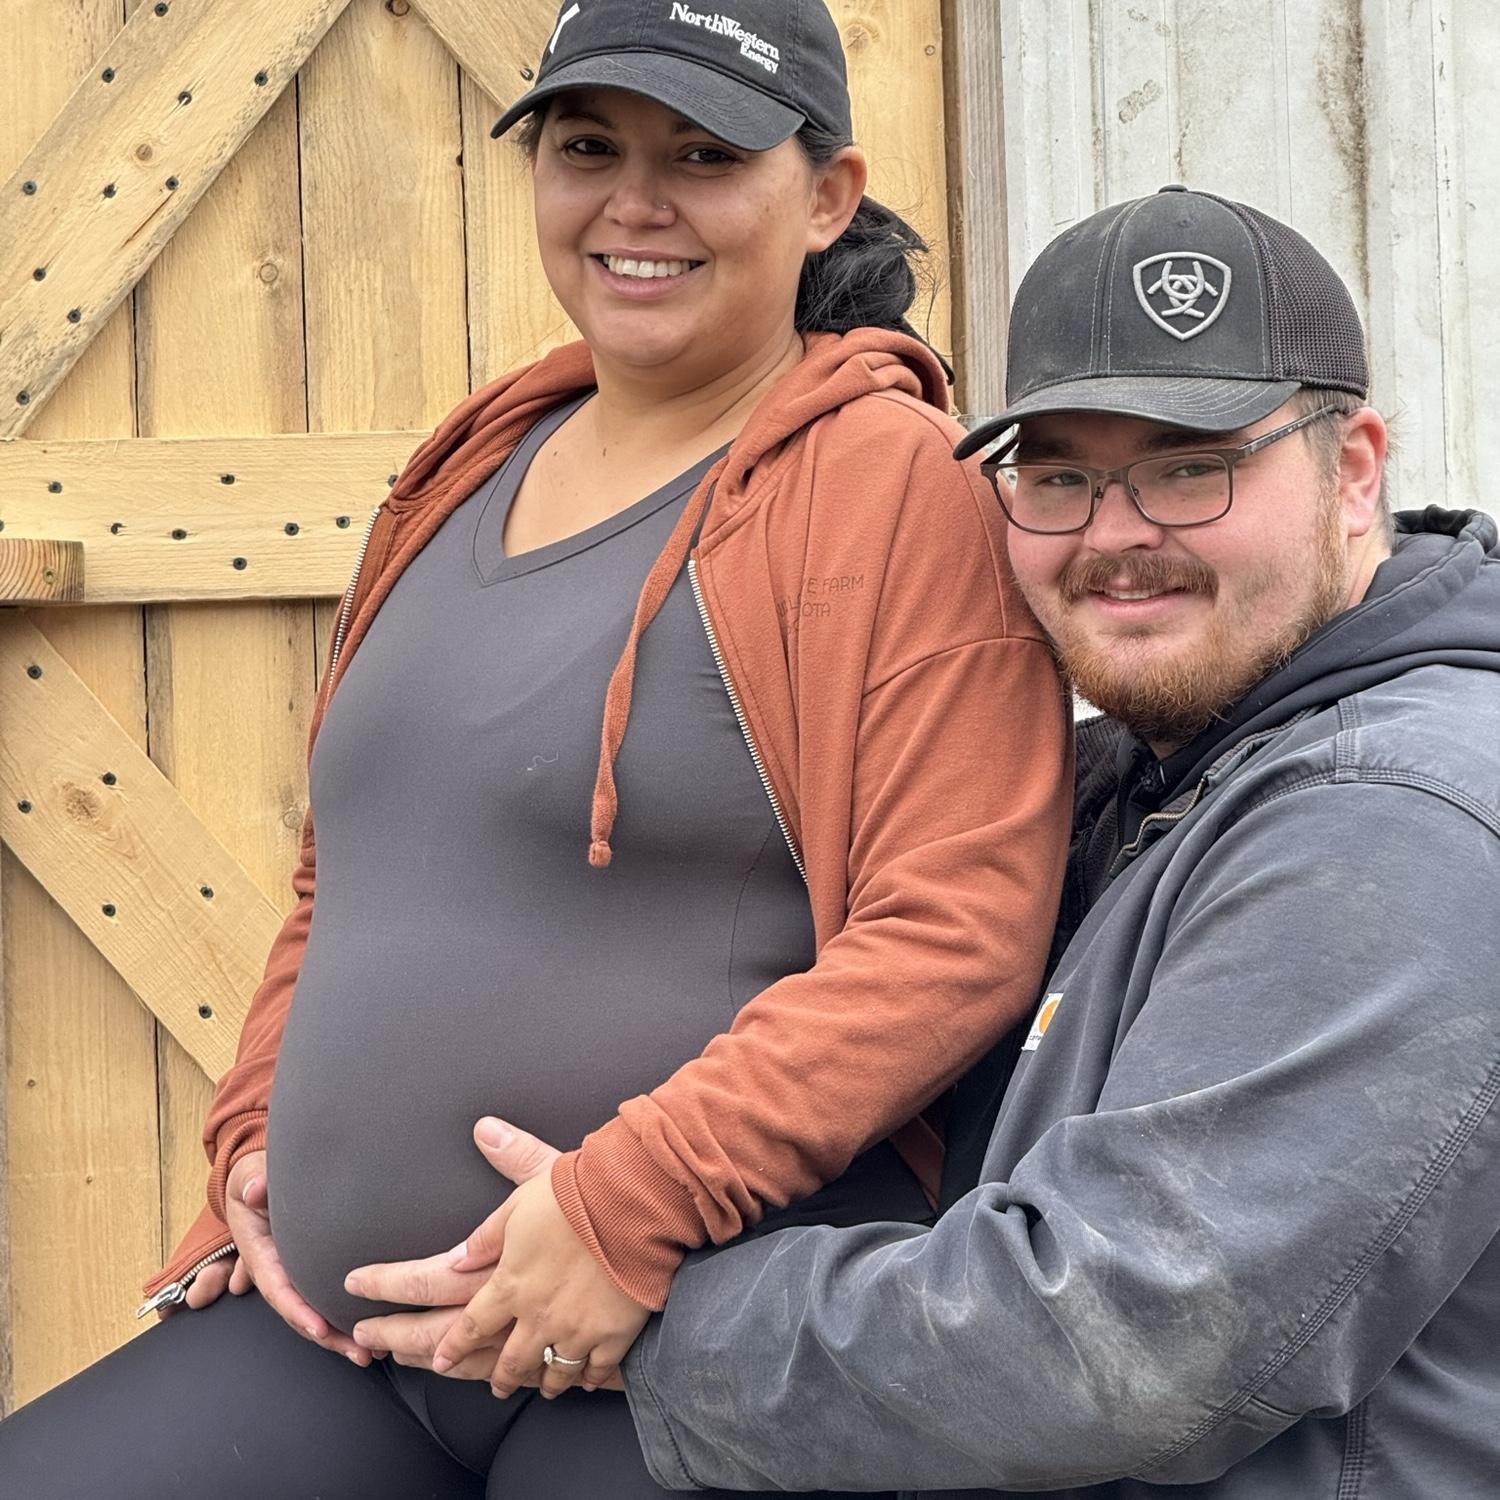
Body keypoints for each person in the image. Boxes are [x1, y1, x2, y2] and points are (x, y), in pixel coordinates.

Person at [0, 2, 1071, 1496]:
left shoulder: (890, 486)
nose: (637, 202)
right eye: (589, 148)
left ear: (828, 196)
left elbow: (955, 932)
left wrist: (628, 1207)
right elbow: (351, 874)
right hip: (350, 1340)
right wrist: (254, 1134)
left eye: (705, 155)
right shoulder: (469, 464)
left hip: (679, 1347)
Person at [351, 186, 1500, 1496]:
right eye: (1059, 477)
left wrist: (652, 1309)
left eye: (1192, 467)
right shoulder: (1137, 775)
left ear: (1355, 473)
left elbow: (1115, 1339)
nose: (1117, 536)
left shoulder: (1393, 825)